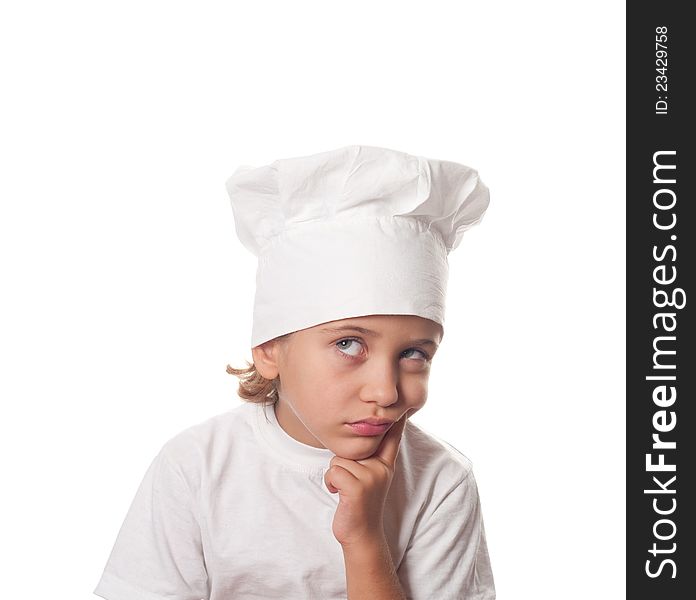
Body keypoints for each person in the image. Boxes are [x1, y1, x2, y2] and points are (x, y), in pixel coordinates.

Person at [93, 144, 496, 600]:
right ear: (270, 350)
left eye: (415, 354)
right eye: (348, 344)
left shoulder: (441, 482)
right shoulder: (198, 466)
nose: (385, 391)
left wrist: (363, 540)